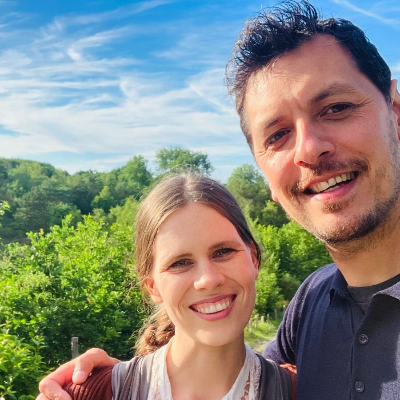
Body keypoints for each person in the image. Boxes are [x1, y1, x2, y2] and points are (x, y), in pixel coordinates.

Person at [38, 1, 400, 399]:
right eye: (278, 135)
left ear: (396, 112)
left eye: (336, 108)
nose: (309, 150)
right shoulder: (313, 303)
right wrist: (107, 384)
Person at [48, 173, 295, 400]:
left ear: (253, 258)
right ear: (152, 286)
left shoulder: (301, 389)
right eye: (180, 263)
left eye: (223, 251)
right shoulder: (91, 394)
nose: (208, 279)